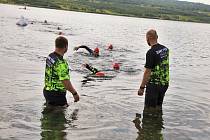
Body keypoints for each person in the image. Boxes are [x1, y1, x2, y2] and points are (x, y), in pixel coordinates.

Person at [43, 36, 79, 106]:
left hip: (47, 91)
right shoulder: (61, 63)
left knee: (49, 112)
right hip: (57, 94)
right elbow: (65, 81)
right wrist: (74, 93)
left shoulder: (50, 56)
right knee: (60, 114)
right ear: (66, 47)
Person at [138, 29, 169, 109]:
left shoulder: (150, 52)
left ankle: (149, 121)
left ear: (148, 38)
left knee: (149, 109)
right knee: (158, 107)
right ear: (157, 37)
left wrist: (142, 88)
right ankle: (158, 121)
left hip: (154, 85)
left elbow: (147, 72)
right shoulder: (165, 49)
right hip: (164, 83)